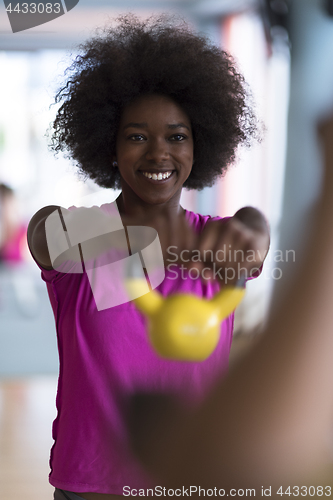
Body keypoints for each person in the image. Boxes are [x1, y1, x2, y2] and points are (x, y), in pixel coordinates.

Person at [27, 14, 269, 500]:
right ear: (110, 148)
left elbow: (254, 234)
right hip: (90, 485)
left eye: (177, 136)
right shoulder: (82, 240)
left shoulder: (220, 241)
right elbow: (43, 233)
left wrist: (253, 229)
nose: (159, 153)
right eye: (137, 136)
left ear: (200, 145)